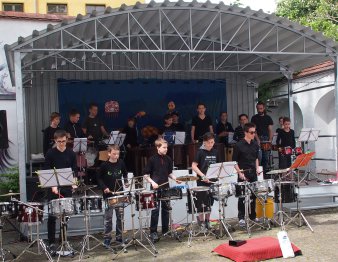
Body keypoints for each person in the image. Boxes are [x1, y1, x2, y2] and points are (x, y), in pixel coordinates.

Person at [44, 130, 77, 247]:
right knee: (52, 216)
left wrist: (74, 183)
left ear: (67, 140)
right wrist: (53, 185)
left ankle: (63, 239)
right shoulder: (50, 153)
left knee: (65, 215)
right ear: (55, 141)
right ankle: (51, 241)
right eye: (59, 142)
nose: (62, 143)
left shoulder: (71, 153)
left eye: (64, 141)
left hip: (66, 187)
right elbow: (47, 170)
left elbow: (74, 170)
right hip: (53, 187)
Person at [143, 138, 181, 242]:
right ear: (157, 147)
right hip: (155, 189)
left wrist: (175, 179)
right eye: (164, 147)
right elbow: (146, 175)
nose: (166, 149)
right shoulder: (152, 159)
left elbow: (169, 173)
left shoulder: (168, 159)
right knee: (155, 211)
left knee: (166, 210)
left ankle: (165, 231)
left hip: (165, 188)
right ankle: (153, 232)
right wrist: (152, 182)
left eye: (167, 147)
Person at [96, 145, 129, 247]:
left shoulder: (121, 163)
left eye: (117, 154)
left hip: (119, 194)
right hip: (108, 195)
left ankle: (119, 237)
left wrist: (126, 181)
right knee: (108, 218)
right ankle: (107, 238)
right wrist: (104, 187)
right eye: (114, 154)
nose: (116, 156)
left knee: (120, 217)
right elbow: (99, 178)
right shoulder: (104, 165)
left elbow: (125, 173)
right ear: (109, 153)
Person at [232, 123, 260, 228]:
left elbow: (256, 158)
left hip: (253, 173)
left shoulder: (255, 144)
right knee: (242, 196)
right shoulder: (238, 145)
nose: (253, 134)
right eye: (251, 132)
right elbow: (234, 162)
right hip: (243, 173)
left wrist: (257, 168)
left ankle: (253, 216)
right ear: (246, 132)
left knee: (253, 196)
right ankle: (241, 218)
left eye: (254, 132)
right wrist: (240, 173)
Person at [191, 132, 219, 229]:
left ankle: (207, 221)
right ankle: (201, 221)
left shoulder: (215, 151)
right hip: (202, 181)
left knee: (210, 202)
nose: (211, 144)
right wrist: (203, 176)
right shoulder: (200, 152)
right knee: (202, 202)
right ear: (204, 142)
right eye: (209, 142)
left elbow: (218, 165)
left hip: (212, 181)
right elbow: (194, 166)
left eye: (212, 142)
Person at [250, 102, 273, 174]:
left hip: (266, 139)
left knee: (266, 158)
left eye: (261, 108)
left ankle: (264, 174)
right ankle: (258, 173)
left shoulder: (268, 118)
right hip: (257, 138)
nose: (259, 110)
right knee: (259, 157)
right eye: (258, 109)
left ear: (264, 108)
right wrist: (257, 139)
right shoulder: (254, 117)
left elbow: (270, 130)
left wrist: (270, 140)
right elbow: (254, 130)